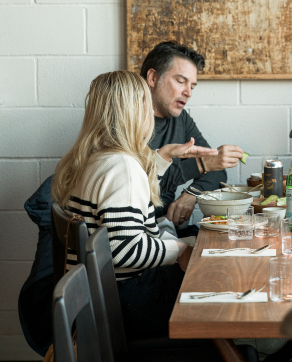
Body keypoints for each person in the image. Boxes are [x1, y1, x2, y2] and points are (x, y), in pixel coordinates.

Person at [51, 70, 218, 338]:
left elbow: (130, 202)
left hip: (104, 297)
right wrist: (180, 250)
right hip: (129, 299)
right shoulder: (122, 168)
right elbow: (124, 249)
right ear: (133, 112)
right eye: (146, 105)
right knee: (220, 287)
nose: (151, 112)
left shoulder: (94, 159)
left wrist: (162, 158)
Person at [142, 41, 244, 228]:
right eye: (181, 82)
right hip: (138, 231)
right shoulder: (126, 118)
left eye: (192, 86)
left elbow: (217, 170)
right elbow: (140, 185)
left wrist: (192, 194)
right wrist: (200, 165)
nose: (188, 92)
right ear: (153, 78)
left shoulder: (180, 119)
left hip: (165, 226)